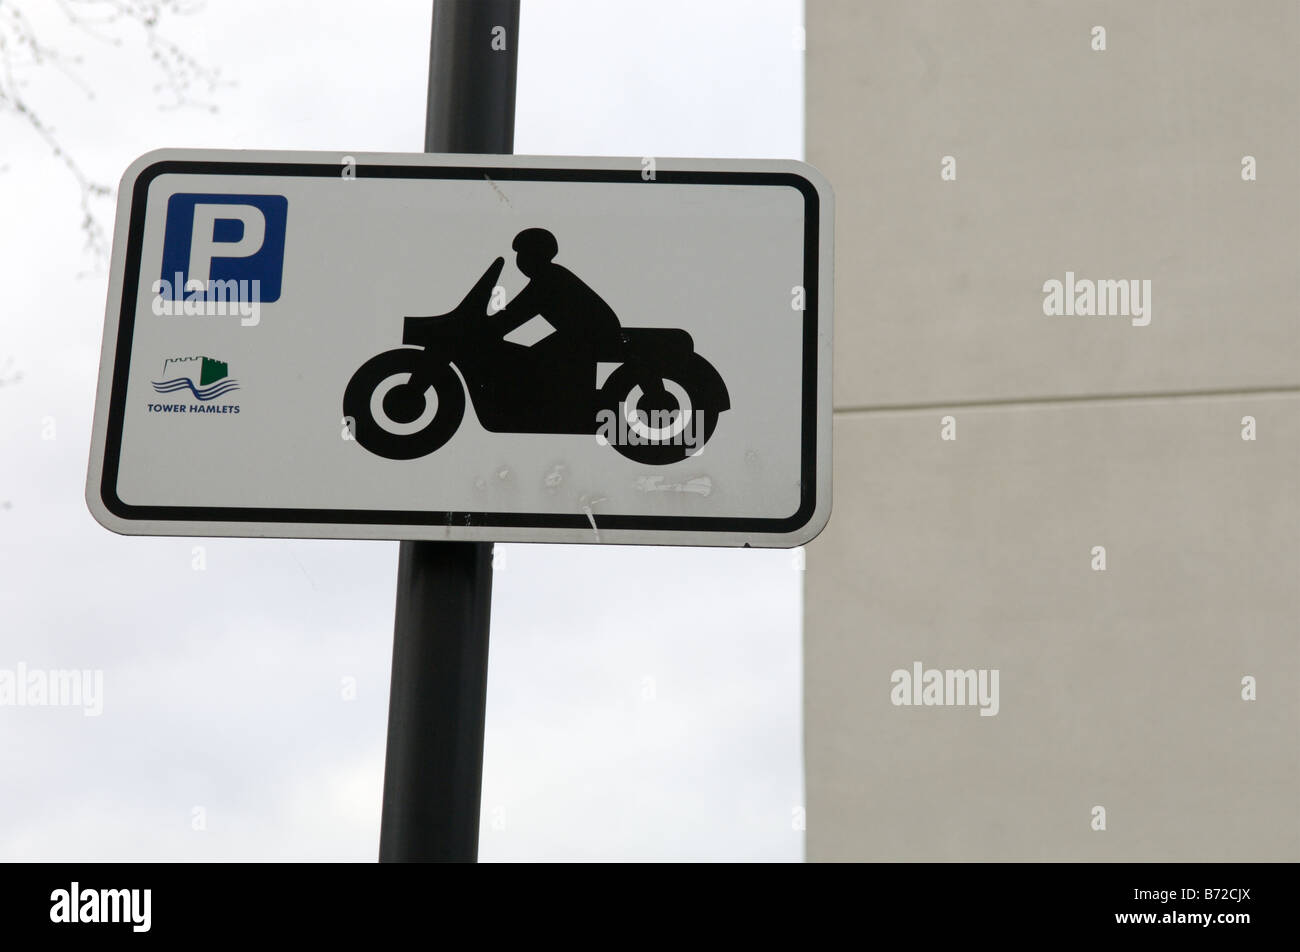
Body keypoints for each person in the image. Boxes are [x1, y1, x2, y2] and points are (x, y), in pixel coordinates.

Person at [489, 228, 623, 378]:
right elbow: (516, 311)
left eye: (524, 254)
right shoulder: (551, 274)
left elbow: (515, 313)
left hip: (592, 336)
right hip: (584, 334)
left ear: (536, 255)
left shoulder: (548, 279)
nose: (520, 260)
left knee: (533, 359)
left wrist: (490, 327)